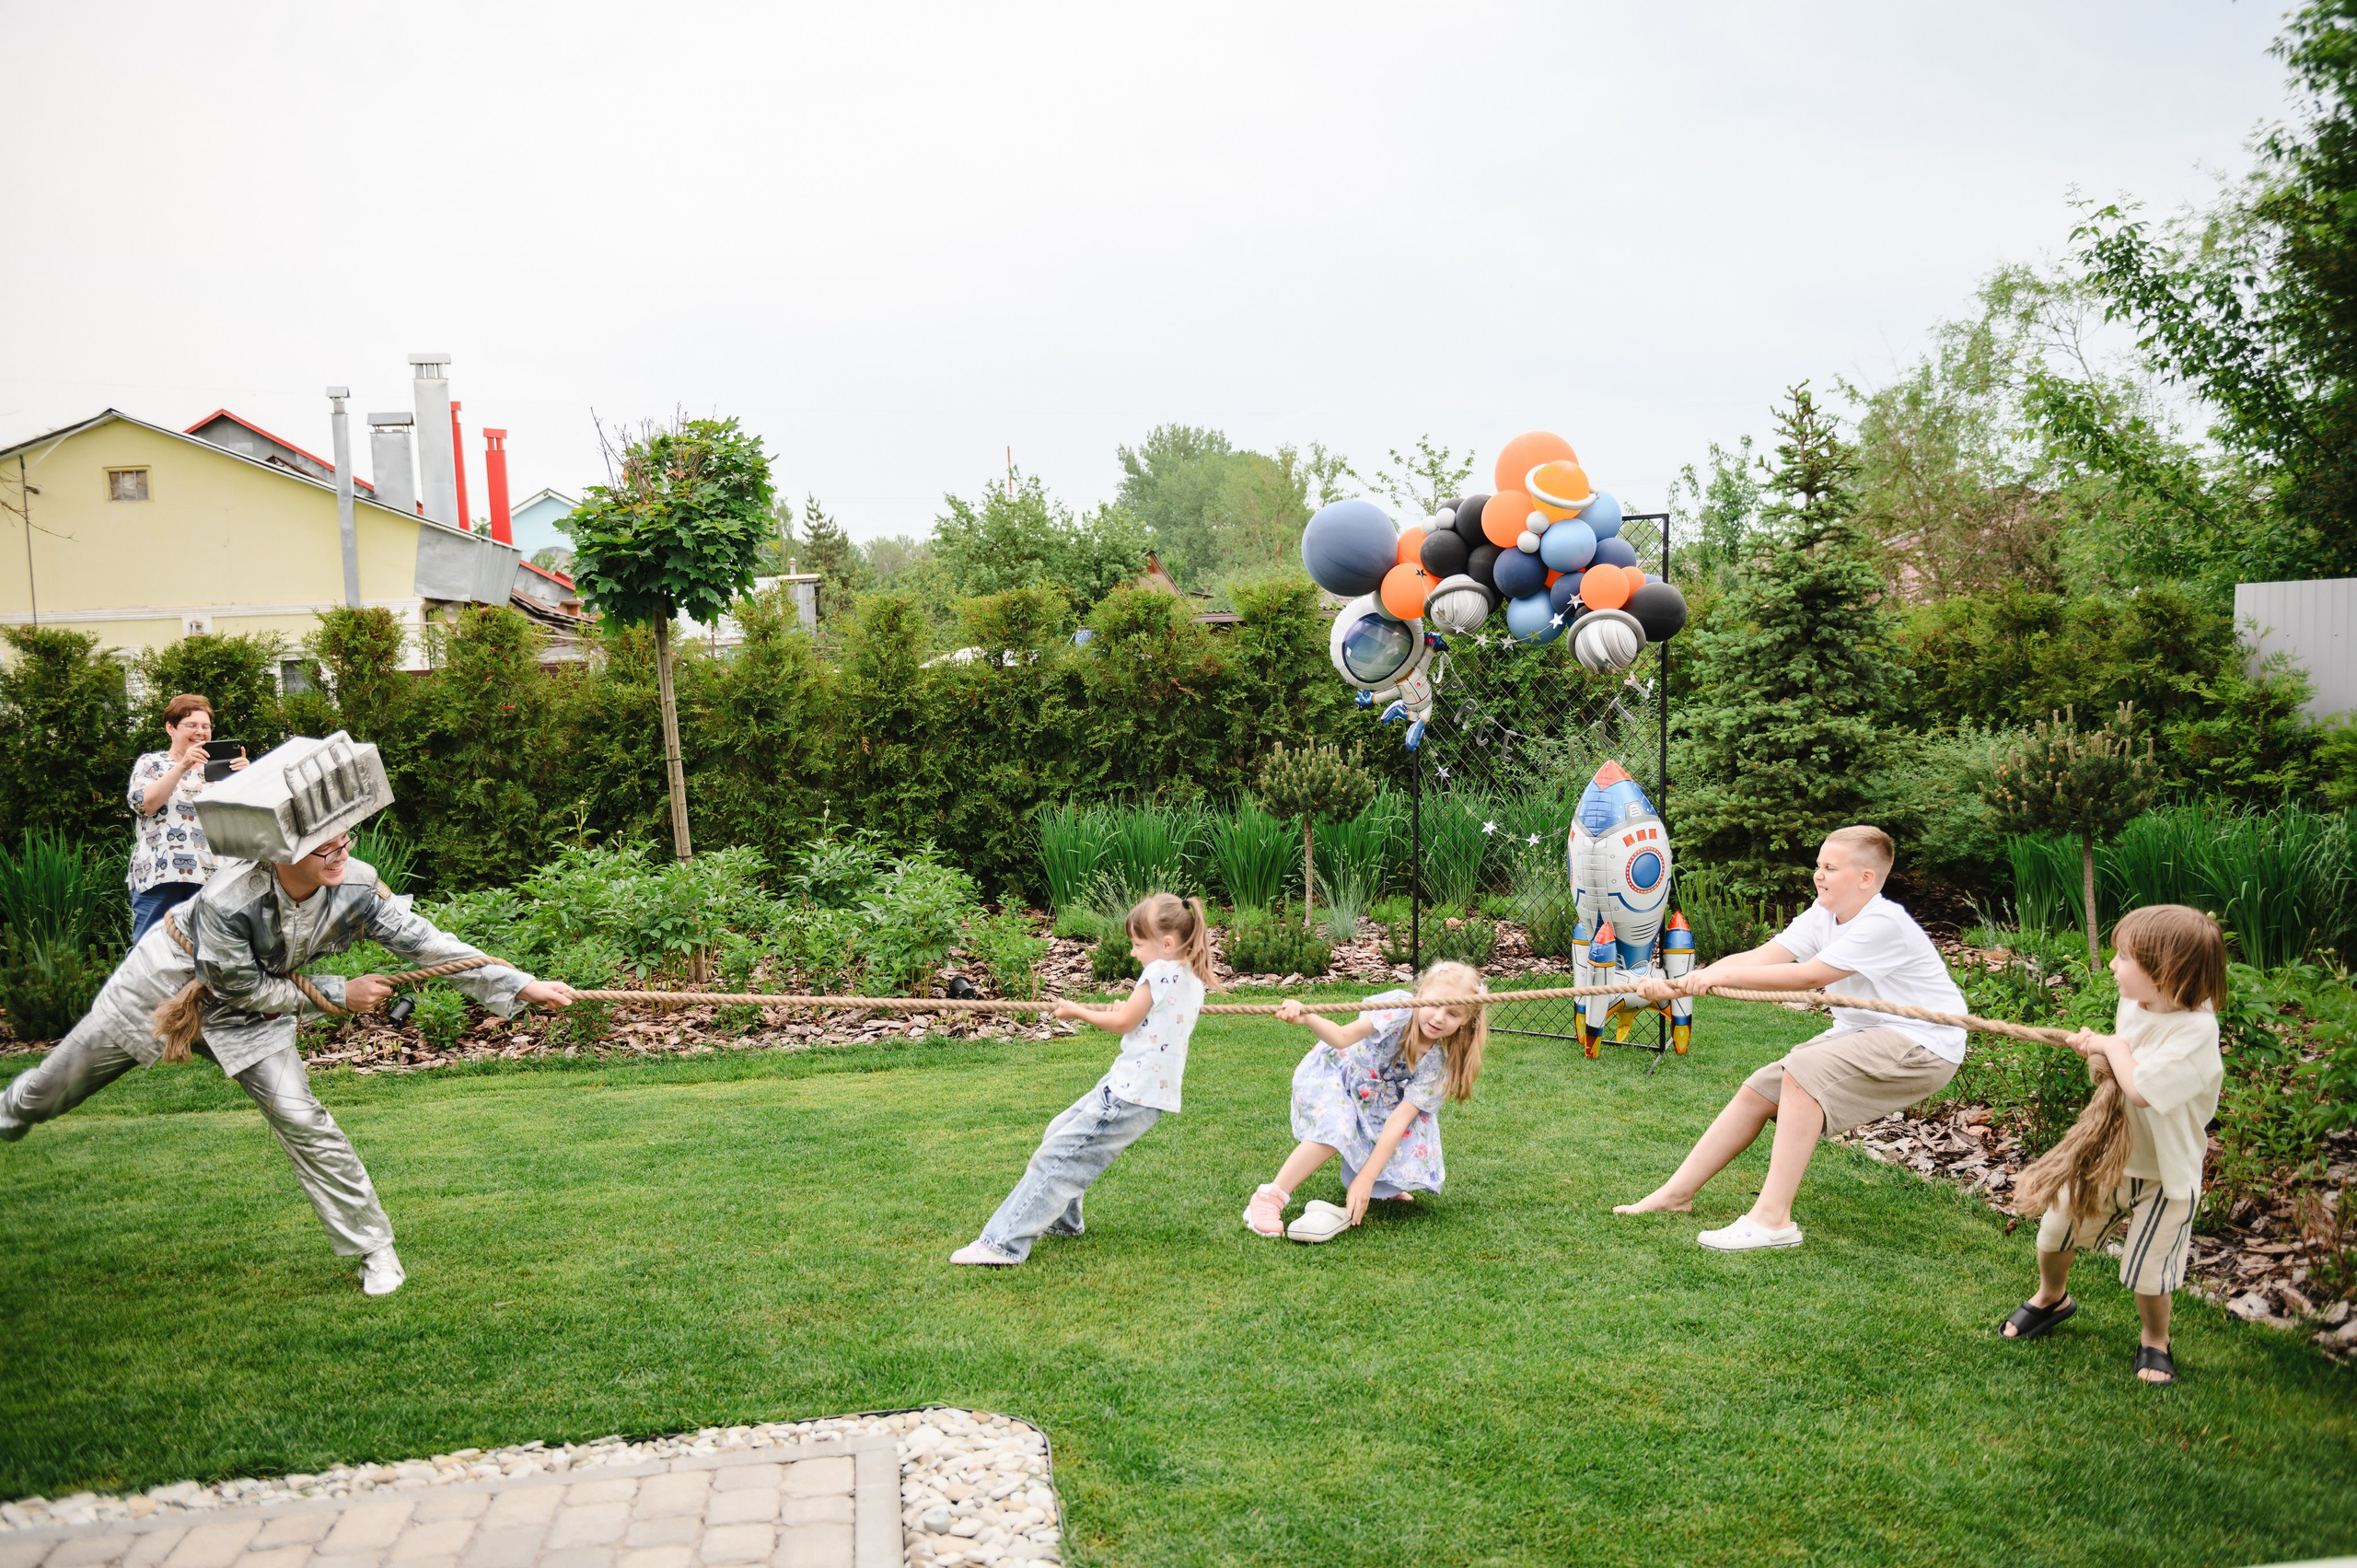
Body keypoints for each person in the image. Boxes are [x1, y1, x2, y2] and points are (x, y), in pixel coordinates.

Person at [2, 735, 578, 1296]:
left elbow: (428, 945)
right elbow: (239, 984)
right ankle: (9, 1114)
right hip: (163, 991)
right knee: (56, 1086)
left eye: (344, 841)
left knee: (305, 1120)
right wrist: (337, 993)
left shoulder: (353, 884)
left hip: (256, 1010)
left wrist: (522, 986)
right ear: (284, 849)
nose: (340, 854)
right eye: (323, 847)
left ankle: (374, 1249)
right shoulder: (232, 898)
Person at [1612, 825, 1968, 1250]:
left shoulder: (1883, 922)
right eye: (1818, 865)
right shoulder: (1824, 913)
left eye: (1830, 867)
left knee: (1802, 1074)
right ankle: (1676, 1195)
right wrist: (1685, 982)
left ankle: (1773, 1220)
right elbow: (1764, 957)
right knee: (1760, 1090)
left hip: (1923, 1044)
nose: (1818, 874)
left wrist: (1708, 978)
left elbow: (1809, 975)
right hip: (1869, 1032)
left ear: (1866, 878)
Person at [2001, 904, 2224, 1387]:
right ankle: (2052, 1297)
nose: (2113, 966)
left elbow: (2141, 1090)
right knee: (2054, 1234)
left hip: (2165, 1173)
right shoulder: (2138, 1002)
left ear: (2165, 972)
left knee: (2149, 1271)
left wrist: (2111, 1047)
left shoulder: (2197, 1034)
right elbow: (2119, 1068)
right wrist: (2098, 1048)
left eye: (2124, 958)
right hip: (2111, 1156)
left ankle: (2155, 1339)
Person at [951, 894, 1213, 1266]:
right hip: (1132, 1089)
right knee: (1058, 1132)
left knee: (1056, 1159)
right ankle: (1063, 1221)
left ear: (1167, 944)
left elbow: (1123, 1023)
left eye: (1138, 944)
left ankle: (1002, 1244)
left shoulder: (1159, 972)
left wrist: (1078, 1011)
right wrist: (1130, 1010)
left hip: (1129, 1094)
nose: (1134, 953)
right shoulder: (1191, 978)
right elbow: (1153, 1019)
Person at [1243, 959, 1487, 1244]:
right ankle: (1269, 1197)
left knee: (1414, 1133)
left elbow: (1398, 1120)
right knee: (1337, 1127)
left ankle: (1384, 1185)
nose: (1439, 1017)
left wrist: (1368, 1178)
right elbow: (1343, 1037)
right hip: (1339, 1074)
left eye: (1453, 1013)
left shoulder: (1437, 1066)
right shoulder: (1399, 1009)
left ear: (1465, 1021)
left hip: (1377, 1099)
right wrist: (1307, 1017)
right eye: (1434, 1005)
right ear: (1421, 995)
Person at [126, 694, 249, 945]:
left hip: (214, 878)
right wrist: (183, 765)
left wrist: (249, 778)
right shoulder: (152, 763)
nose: (200, 732)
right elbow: (146, 804)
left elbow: (248, 819)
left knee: (210, 953)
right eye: (191, 725)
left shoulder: (224, 769)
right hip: (161, 875)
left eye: (205, 726)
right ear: (170, 728)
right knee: (150, 950)